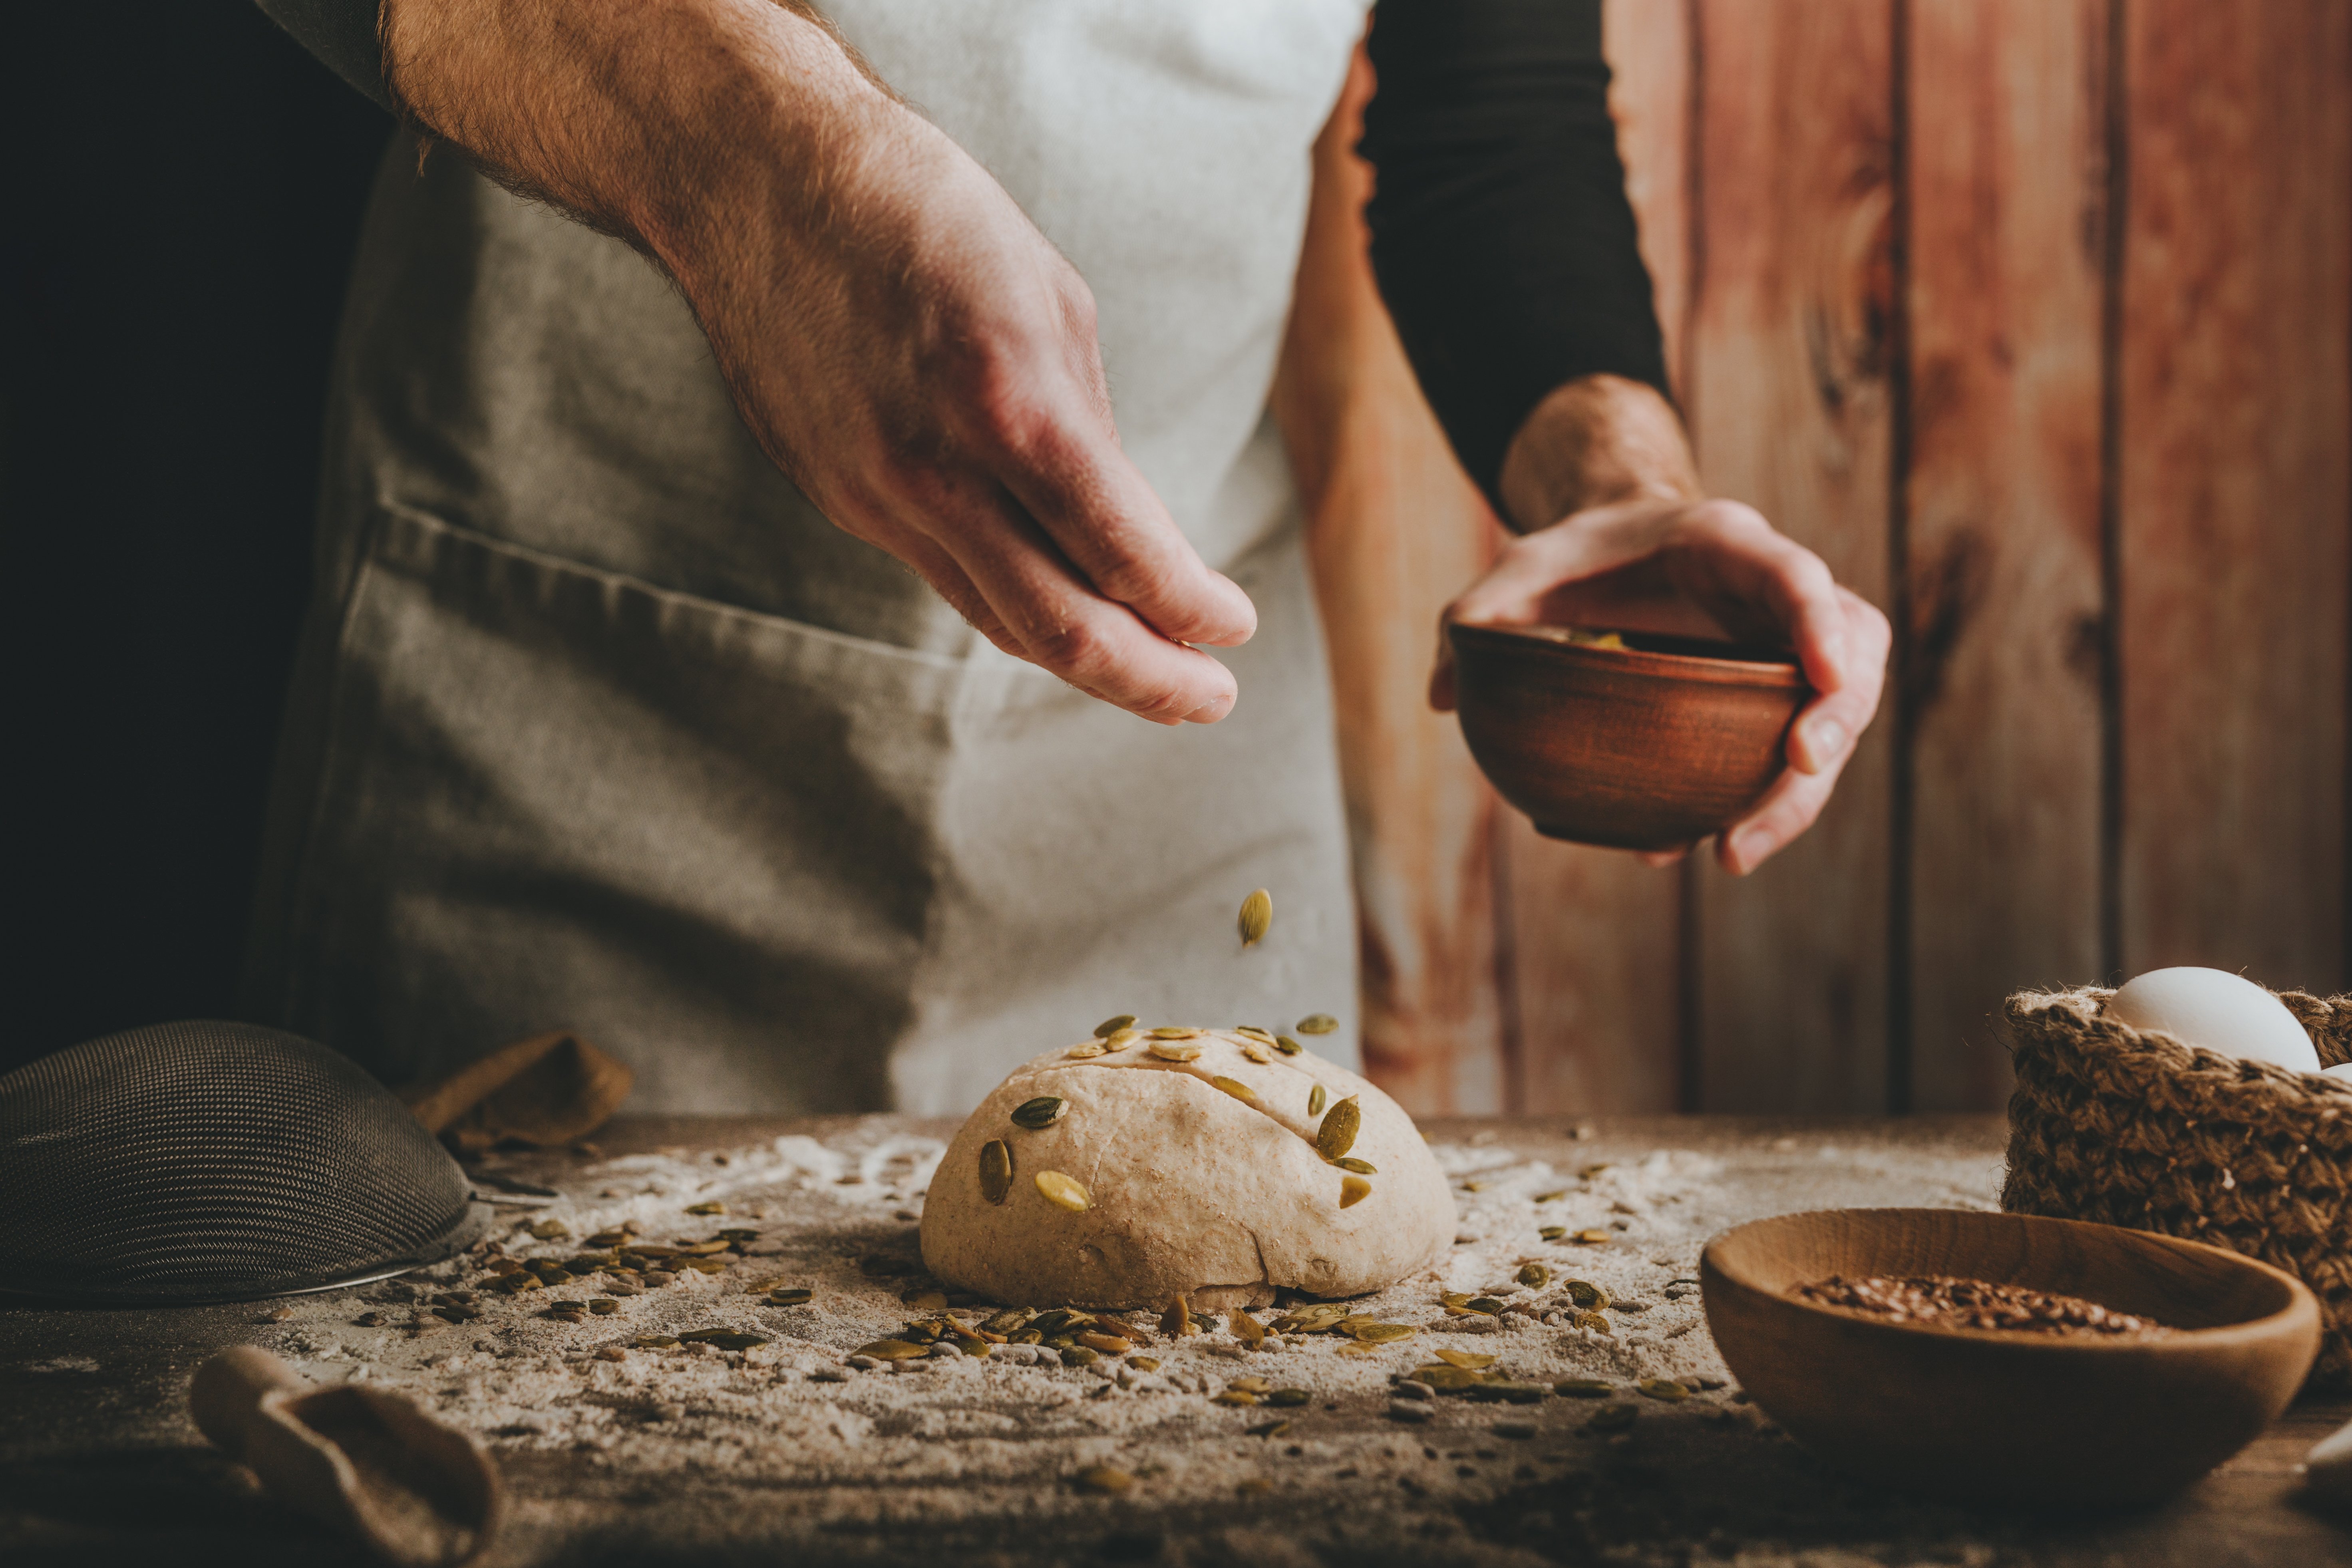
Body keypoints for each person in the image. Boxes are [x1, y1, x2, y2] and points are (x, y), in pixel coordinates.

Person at [243, 0, 1889, 1115]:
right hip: (567, 715)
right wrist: (773, 171)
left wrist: (1613, 478)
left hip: (1174, 799)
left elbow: (1491, 117)